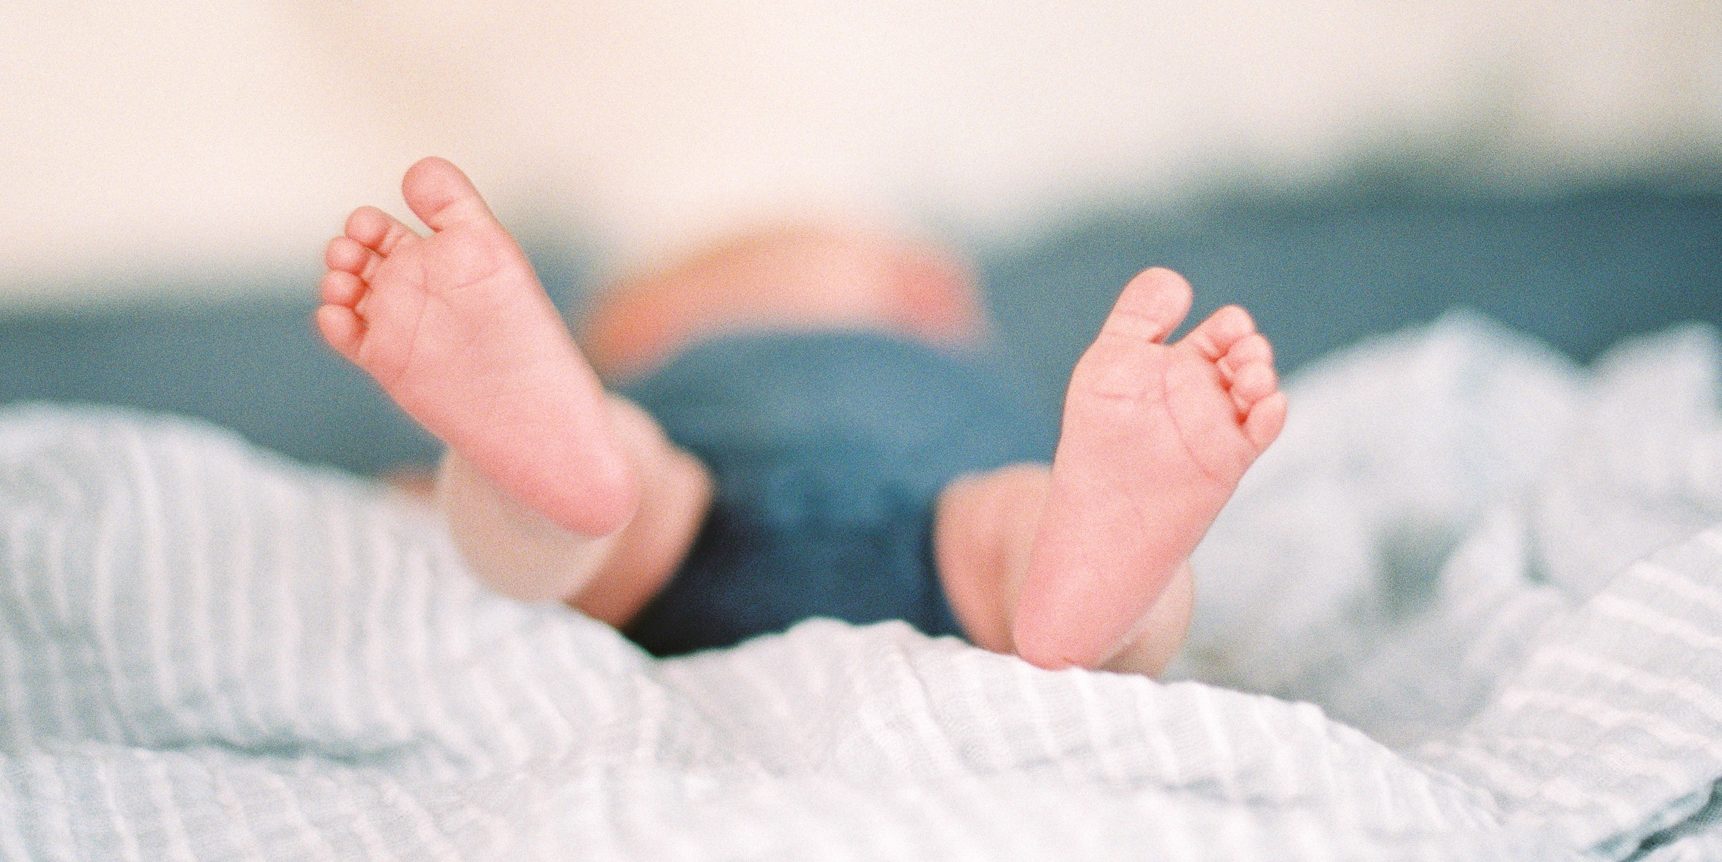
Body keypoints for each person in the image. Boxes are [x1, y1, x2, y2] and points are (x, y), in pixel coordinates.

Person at [316, 157, 1286, 673]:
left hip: (682, 548)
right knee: (1027, 518)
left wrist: (440, 493)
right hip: (946, 547)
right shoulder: (946, 364)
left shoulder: (688, 354)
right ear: (930, 296)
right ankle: (1087, 592)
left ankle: (551, 484)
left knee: (615, 497)